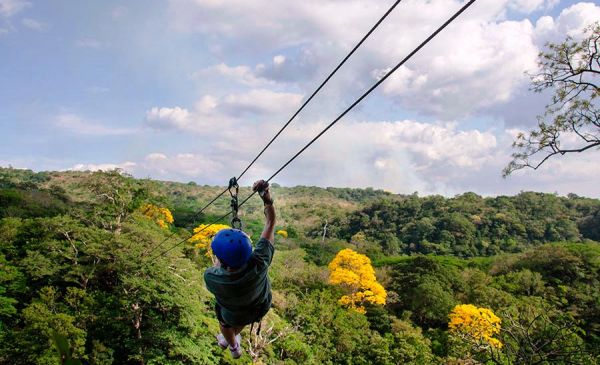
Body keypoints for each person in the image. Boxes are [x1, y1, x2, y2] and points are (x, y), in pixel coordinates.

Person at [204, 179, 275, 359]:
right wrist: (265, 197)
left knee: (225, 320)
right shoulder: (259, 262)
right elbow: (270, 223)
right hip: (257, 307)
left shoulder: (211, 277)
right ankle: (228, 340)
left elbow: (219, 268)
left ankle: (234, 346)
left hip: (233, 313)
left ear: (219, 259)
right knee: (242, 315)